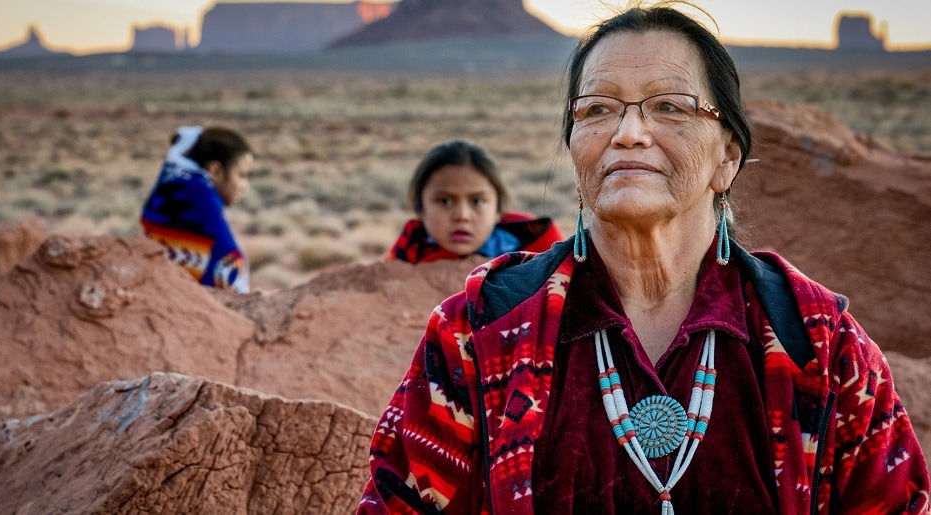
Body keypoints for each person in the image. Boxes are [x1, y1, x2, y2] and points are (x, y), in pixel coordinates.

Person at [359, 5, 929, 515]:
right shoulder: (479, 335)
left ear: (726, 158)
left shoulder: (821, 345)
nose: (629, 133)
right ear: (576, 151)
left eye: (669, 106)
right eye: (598, 109)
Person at [384, 139, 564, 264]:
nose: (462, 216)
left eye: (477, 201)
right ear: (419, 207)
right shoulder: (409, 248)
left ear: (498, 211)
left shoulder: (538, 253)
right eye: (444, 201)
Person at [141, 126, 252, 293]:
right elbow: (229, 266)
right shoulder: (198, 195)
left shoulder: (173, 185)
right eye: (241, 175)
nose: (245, 186)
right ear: (215, 171)